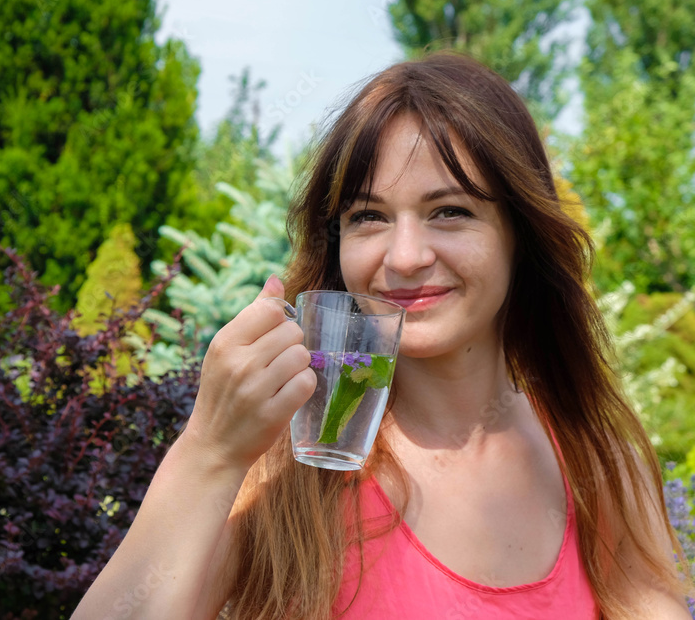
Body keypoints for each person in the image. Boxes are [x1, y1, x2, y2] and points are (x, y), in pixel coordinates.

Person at [71, 53, 693, 619]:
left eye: (450, 211)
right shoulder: (285, 469)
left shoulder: (597, 462)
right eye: (368, 216)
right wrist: (208, 450)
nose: (405, 256)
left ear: (521, 235)